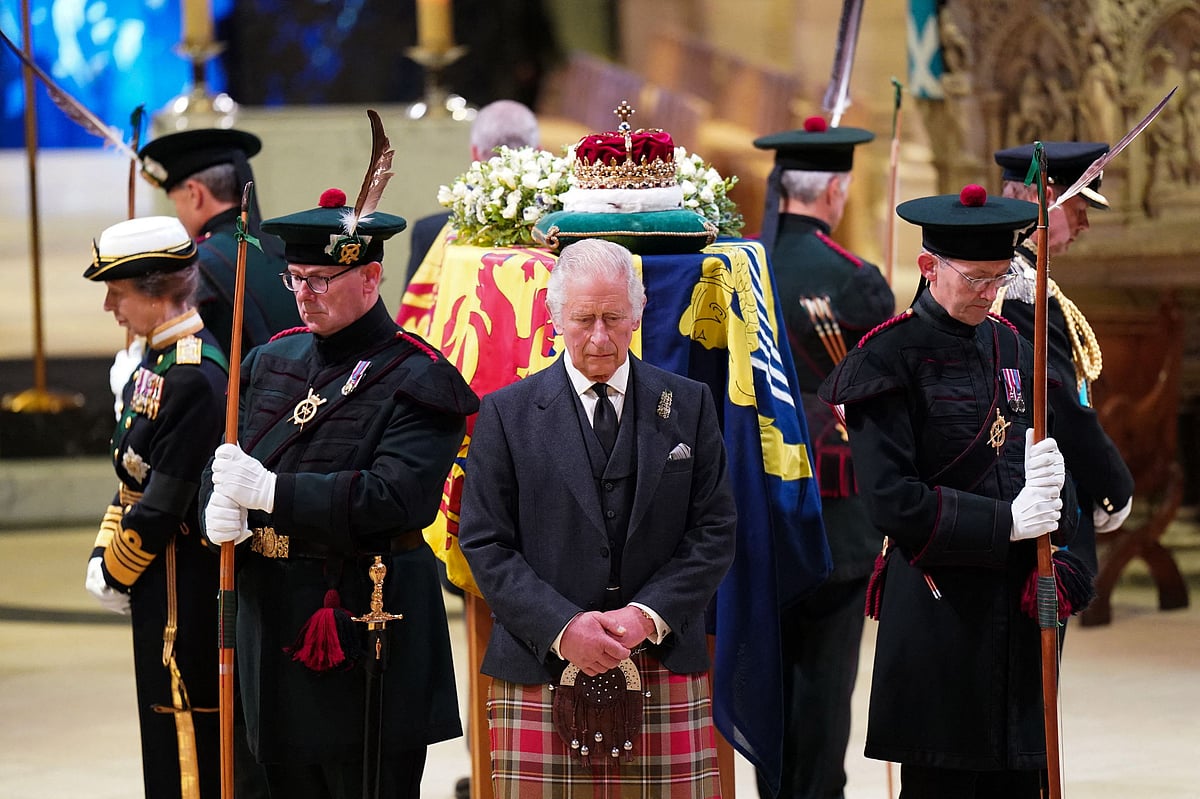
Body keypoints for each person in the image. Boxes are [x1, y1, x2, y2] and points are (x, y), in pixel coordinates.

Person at [201, 186, 479, 799]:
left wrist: (274, 493)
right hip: (270, 631)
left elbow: (394, 498)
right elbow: (223, 459)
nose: (304, 295)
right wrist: (214, 509)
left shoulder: (420, 377)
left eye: (322, 279)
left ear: (371, 276)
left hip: (363, 634)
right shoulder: (271, 361)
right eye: (296, 278)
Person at [819, 185, 1080, 798]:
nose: (989, 295)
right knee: (947, 781)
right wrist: (1005, 522)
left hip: (1016, 610)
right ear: (928, 266)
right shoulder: (887, 358)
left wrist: (1047, 484)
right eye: (975, 279)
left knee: (1023, 776)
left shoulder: (1014, 345)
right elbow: (893, 500)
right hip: (940, 612)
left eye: (999, 279)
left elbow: (1016, 452)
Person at [457, 238, 738, 798]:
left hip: (661, 657)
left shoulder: (690, 404)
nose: (601, 337)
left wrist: (645, 616)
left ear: (639, 313)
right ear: (555, 317)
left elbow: (714, 531)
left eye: (614, 317)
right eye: (584, 319)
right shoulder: (505, 414)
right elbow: (485, 543)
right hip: (540, 665)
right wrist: (565, 628)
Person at [753, 117, 894, 799]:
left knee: (768, 677)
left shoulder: (735, 268)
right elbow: (881, 400)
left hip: (754, 506)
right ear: (836, 190)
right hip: (835, 509)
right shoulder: (858, 282)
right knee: (827, 680)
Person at [82, 216, 229, 799]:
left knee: (183, 733)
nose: (110, 307)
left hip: (180, 591)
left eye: (117, 292)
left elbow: (164, 502)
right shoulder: (157, 362)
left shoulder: (192, 375)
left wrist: (114, 569)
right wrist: (104, 550)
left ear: (155, 291)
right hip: (155, 581)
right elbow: (132, 481)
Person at [994, 142, 1134, 574]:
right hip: (1032, 496)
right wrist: (1114, 486)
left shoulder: (1013, 273)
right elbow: (1058, 406)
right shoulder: (1017, 286)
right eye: (1080, 209)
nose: (1085, 224)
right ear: (1047, 199)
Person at [138, 127, 301, 356]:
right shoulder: (290, 249)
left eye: (176, 201)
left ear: (195, 194)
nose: (178, 213)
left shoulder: (194, 266)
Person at [404, 99, 541, 282]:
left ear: (475, 153)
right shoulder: (557, 234)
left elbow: (415, 307)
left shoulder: (431, 234)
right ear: (538, 152)